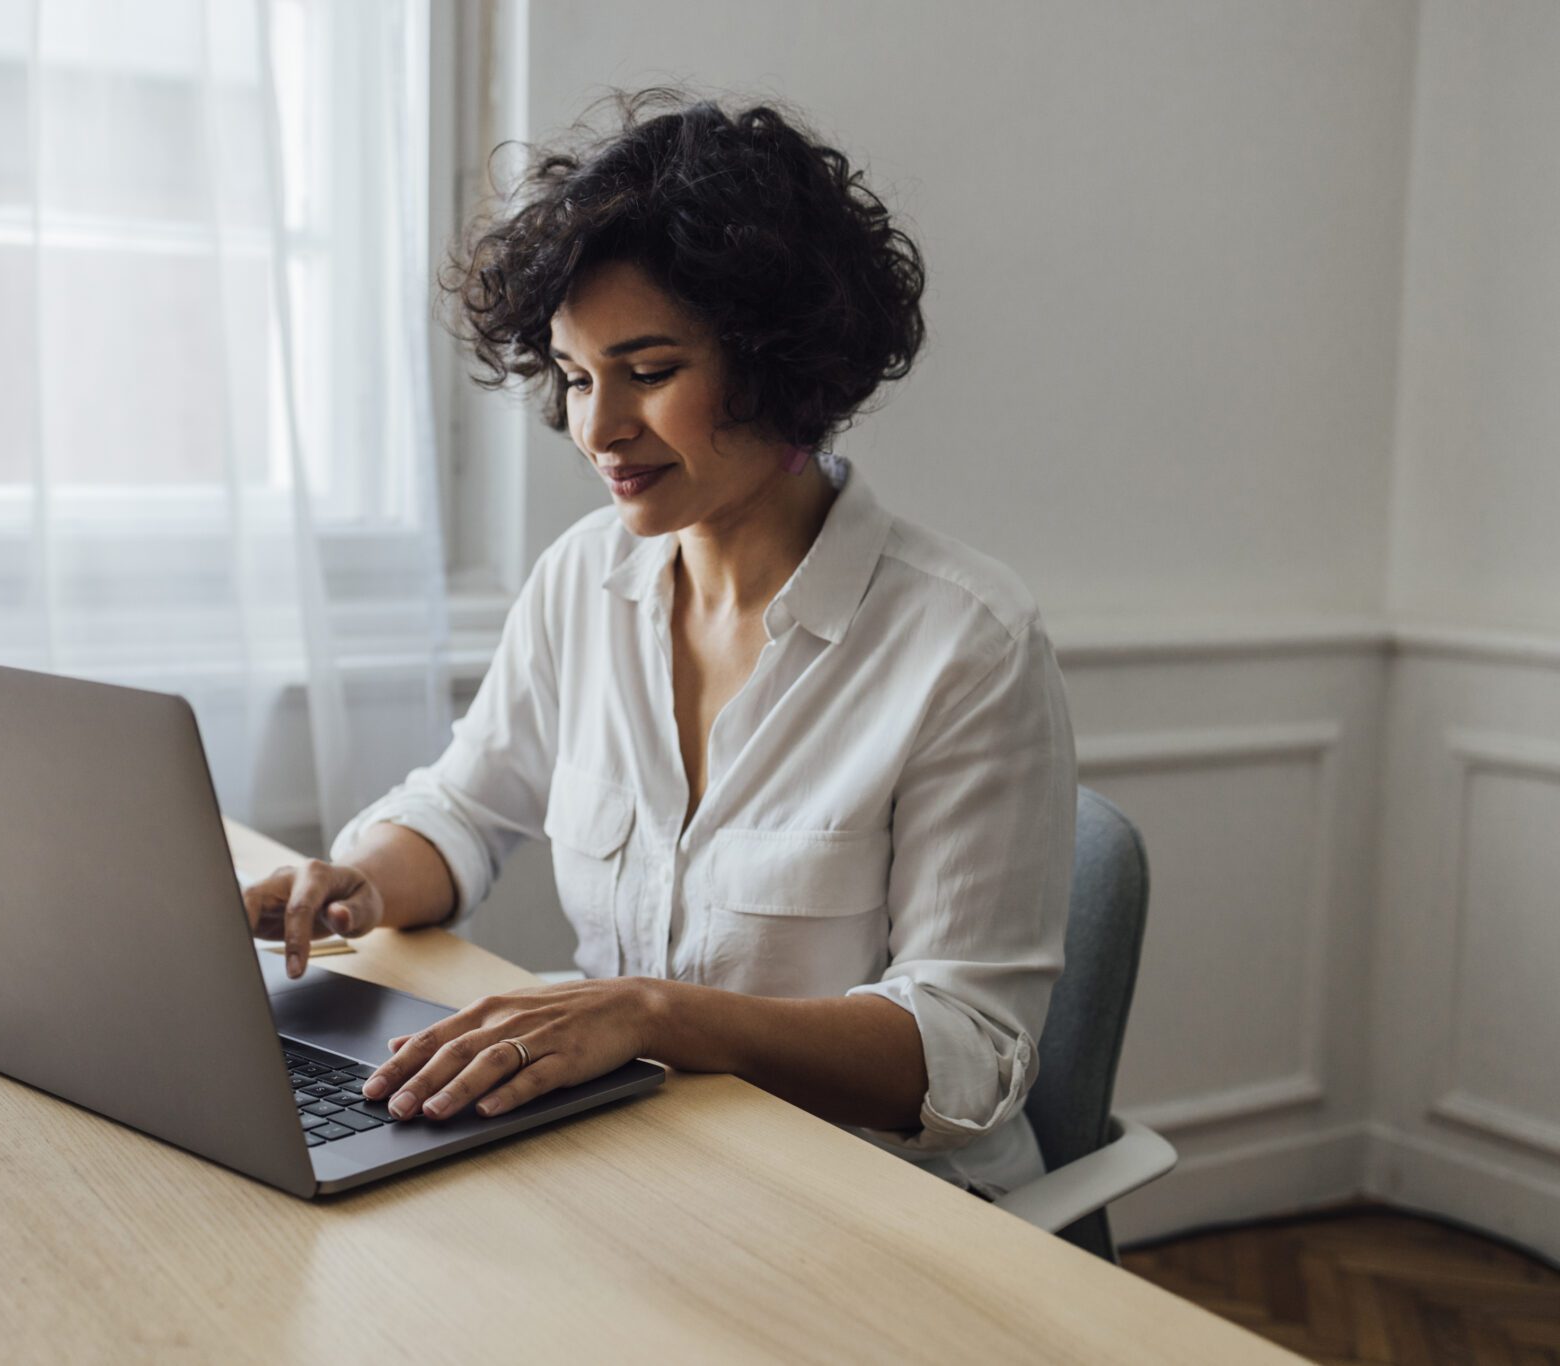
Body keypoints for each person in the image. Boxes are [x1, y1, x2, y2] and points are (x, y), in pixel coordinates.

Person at [242, 90, 1075, 1197]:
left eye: (647, 371)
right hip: (648, 1164)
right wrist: (353, 881)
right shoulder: (584, 578)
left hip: (873, 1200)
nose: (596, 429)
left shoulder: (964, 642)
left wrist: (655, 1014)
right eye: (577, 378)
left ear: (781, 365)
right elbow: (465, 805)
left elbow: (968, 1051)